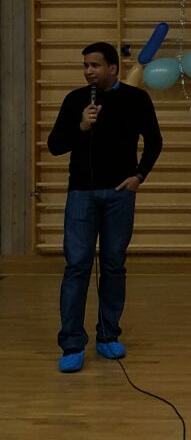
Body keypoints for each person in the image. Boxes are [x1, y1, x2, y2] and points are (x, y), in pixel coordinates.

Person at [47, 42, 163, 374]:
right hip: (81, 194)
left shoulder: (136, 99)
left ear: (113, 68)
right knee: (77, 266)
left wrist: (139, 175)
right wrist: (81, 126)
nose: (88, 71)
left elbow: (154, 141)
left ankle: (108, 335)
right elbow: (55, 145)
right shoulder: (75, 100)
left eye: (95, 65)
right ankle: (72, 343)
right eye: (85, 65)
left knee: (113, 265)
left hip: (119, 195)